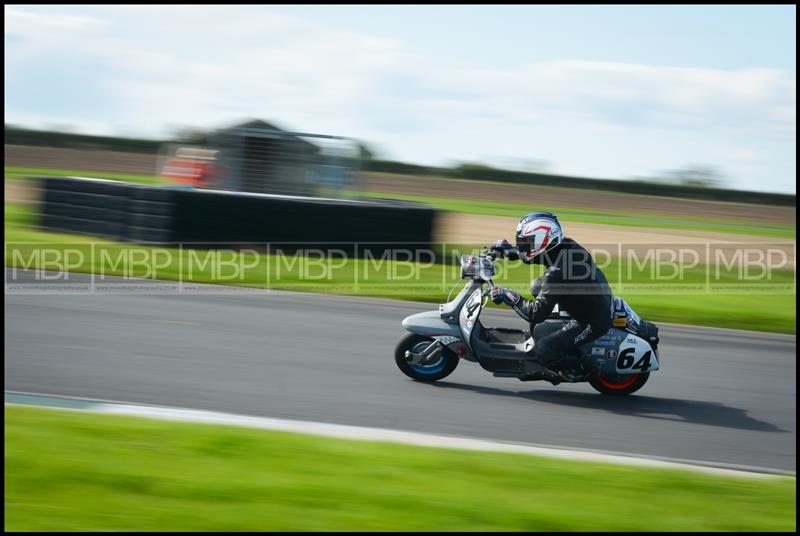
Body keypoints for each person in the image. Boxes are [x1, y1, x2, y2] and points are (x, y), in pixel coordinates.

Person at [489, 211, 613, 377]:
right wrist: (508, 251)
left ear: (542, 241)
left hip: (592, 320)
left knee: (544, 350)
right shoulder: (564, 245)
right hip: (593, 298)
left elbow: (536, 314)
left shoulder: (558, 273)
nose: (522, 246)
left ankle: (589, 368)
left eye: (526, 242)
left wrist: (509, 296)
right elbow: (535, 255)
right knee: (537, 286)